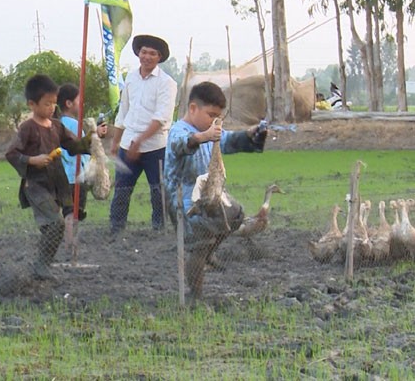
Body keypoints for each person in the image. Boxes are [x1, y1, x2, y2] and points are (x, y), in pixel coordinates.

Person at [163, 81, 267, 297]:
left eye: (217, 116)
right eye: (211, 115)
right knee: (199, 246)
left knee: (236, 215)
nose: (215, 121)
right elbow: (183, 143)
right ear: (193, 108)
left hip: (209, 196)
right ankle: (195, 295)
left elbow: (229, 140)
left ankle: (209, 253)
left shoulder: (210, 132)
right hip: (184, 201)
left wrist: (250, 134)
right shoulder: (178, 130)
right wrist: (204, 136)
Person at [5, 75, 92, 280]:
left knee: (54, 226)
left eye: (54, 103)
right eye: (47, 104)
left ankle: (41, 267)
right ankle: (41, 266)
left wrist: (92, 139)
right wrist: (32, 160)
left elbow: (74, 146)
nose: (52, 108)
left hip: (58, 183)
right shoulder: (27, 128)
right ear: (32, 104)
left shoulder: (56, 126)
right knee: (56, 224)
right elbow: (11, 154)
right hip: (36, 185)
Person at [109, 34, 177, 235]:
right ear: (138, 53)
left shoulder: (167, 83)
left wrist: (139, 142)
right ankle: (116, 229)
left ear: (159, 57)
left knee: (158, 191)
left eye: (152, 53)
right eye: (144, 52)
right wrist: (115, 141)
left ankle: (159, 229)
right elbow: (124, 111)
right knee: (121, 189)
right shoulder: (130, 77)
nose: (147, 56)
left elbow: (161, 118)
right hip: (127, 144)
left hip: (155, 147)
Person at [55, 83, 107, 222]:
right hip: (75, 177)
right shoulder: (75, 126)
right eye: (79, 100)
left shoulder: (58, 124)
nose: (81, 103)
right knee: (74, 214)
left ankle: (65, 238)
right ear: (69, 103)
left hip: (62, 178)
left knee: (65, 212)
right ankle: (71, 241)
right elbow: (83, 147)